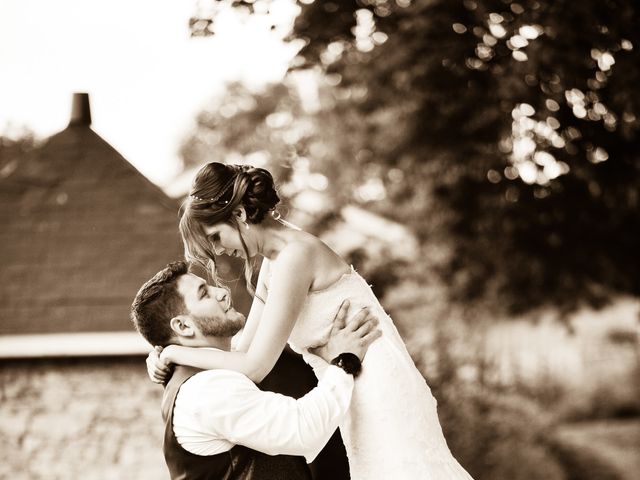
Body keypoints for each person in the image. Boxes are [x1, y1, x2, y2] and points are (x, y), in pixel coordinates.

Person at [148, 162, 475, 479]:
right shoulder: (274, 262)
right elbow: (242, 347)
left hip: (376, 382)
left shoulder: (295, 257)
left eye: (216, 238)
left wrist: (176, 354)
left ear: (239, 214)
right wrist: (165, 355)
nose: (218, 251)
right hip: (350, 385)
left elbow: (253, 367)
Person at [131, 260, 381, 480]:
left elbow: (265, 305)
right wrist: (343, 361)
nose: (222, 292)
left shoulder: (212, 368)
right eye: (204, 294)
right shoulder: (206, 389)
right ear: (183, 326)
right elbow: (302, 429)